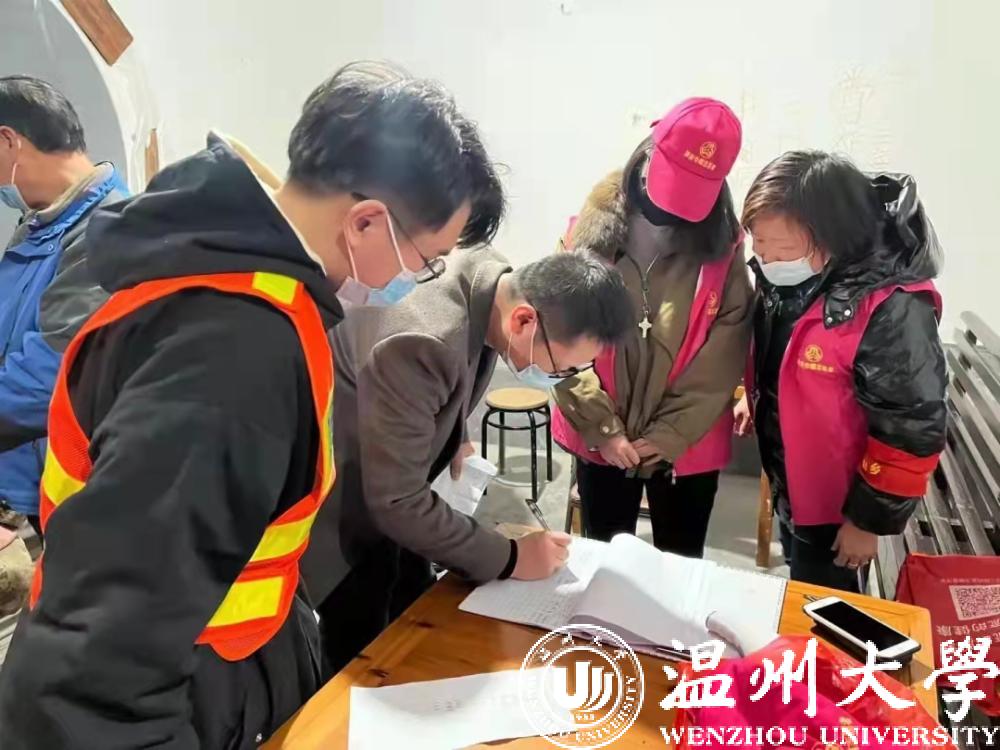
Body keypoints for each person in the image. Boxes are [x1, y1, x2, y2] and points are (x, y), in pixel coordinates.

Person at [0, 61, 504, 749]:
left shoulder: (243, 285)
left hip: (225, 670)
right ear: (366, 222)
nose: (418, 279)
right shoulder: (233, 350)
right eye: (427, 258)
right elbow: (97, 671)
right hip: (191, 696)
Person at [302, 248, 633, 672]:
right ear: (524, 321)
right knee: (362, 652)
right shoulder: (425, 340)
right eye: (561, 368)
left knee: (417, 605)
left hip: (392, 474)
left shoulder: (493, 282)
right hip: (342, 502)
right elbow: (397, 501)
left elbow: (435, 387)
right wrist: (512, 557)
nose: (557, 378)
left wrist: (451, 432)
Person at [734, 150, 946, 593]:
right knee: (800, 582)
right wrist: (754, 398)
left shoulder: (893, 307)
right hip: (793, 480)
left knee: (826, 609)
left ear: (832, 237)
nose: (767, 259)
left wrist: (867, 521)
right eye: (759, 243)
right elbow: (784, 358)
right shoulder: (792, 278)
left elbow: (911, 425)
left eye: (782, 248)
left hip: (841, 506)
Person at [551, 98, 753, 558]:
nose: (679, 209)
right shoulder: (586, 238)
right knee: (607, 561)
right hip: (601, 438)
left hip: (687, 445)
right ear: (649, 153)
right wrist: (603, 427)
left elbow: (723, 355)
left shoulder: (723, 250)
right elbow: (556, 342)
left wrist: (669, 434)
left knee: (680, 566)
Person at [0, 76, 128, 533]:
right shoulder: (42, 224)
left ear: (8, 141)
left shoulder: (107, 233)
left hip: (63, 496)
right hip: (22, 482)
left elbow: (52, 376)